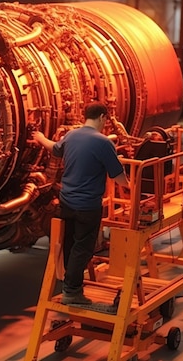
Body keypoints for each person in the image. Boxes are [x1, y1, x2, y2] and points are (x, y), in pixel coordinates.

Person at [32, 102, 129, 305]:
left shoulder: (72, 136)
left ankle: (68, 282)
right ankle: (72, 291)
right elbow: (119, 177)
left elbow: (54, 149)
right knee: (83, 248)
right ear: (103, 117)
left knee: (69, 244)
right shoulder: (104, 143)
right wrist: (130, 185)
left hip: (66, 202)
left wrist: (40, 138)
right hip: (88, 206)